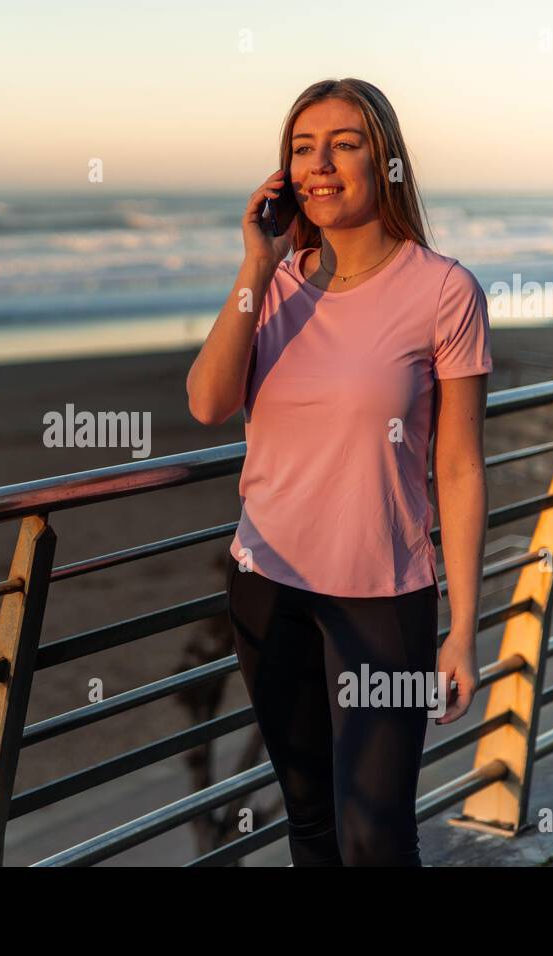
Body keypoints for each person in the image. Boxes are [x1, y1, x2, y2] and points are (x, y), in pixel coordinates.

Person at [185, 78, 491, 866]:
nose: (320, 165)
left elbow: (457, 466)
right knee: (313, 824)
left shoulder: (443, 290)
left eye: (344, 144)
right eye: (302, 148)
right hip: (268, 585)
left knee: (374, 835)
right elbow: (208, 401)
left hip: (384, 597)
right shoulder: (273, 284)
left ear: (384, 160)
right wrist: (257, 261)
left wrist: (462, 628)